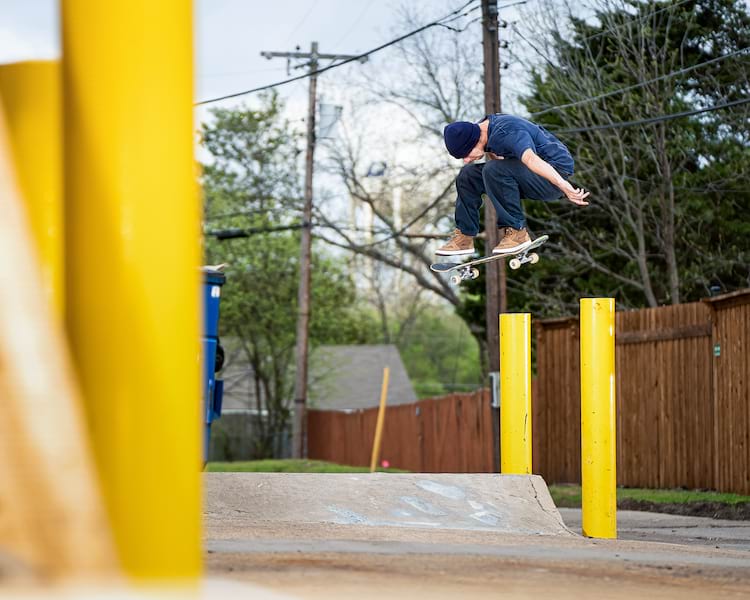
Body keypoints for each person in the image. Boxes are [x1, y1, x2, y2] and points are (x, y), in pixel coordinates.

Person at [435, 113, 590, 256]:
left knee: (492, 169)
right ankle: (464, 238)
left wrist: (564, 186)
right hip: (527, 173)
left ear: (476, 141)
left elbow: (531, 159)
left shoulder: (507, 132)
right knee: (467, 175)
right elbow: (496, 154)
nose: (466, 159)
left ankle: (517, 233)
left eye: (466, 155)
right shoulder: (481, 129)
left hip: (553, 174)